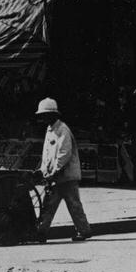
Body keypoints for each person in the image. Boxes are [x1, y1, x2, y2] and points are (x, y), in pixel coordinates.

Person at [33, 97, 92, 242]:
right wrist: (43, 170)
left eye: (45, 115)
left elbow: (64, 154)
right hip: (55, 176)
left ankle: (84, 231)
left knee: (73, 204)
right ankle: (41, 232)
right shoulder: (50, 130)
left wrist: (54, 172)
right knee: (48, 205)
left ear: (53, 115)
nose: (43, 118)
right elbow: (47, 154)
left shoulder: (63, 130)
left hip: (66, 176)